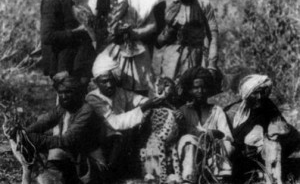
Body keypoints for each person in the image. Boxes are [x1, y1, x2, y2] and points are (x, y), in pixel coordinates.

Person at [88, 0, 161, 95]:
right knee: (112, 92)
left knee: (139, 92)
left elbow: (153, 26)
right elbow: (96, 31)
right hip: (109, 51)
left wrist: (133, 33)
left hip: (136, 51)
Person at [86, 50, 165, 179]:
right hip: (101, 142)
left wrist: (154, 100)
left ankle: (147, 172)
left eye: (111, 80)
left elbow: (138, 99)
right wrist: (144, 107)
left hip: (120, 139)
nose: (109, 85)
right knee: (120, 138)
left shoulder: (119, 92)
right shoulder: (93, 98)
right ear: (96, 82)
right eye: (104, 81)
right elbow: (115, 123)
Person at [24, 76, 108, 184]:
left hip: (90, 161)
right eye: (60, 93)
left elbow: (67, 140)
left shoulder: (86, 110)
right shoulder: (63, 108)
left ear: (78, 94)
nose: (64, 96)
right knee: (52, 171)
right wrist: (24, 133)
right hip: (72, 156)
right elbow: (43, 123)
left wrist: (34, 139)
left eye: (68, 92)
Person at [156, 0, 219, 85]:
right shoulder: (164, 6)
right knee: (170, 92)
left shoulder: (203, 4)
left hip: (197, 57)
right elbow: (158, 43)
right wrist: (169, 30)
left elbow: (213, 36)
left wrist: (212, 64)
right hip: (171, 60)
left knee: (195, 90)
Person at [41, 0, 95, 82]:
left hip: (71, 64)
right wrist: (78, 31)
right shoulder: (50, 1)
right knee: (68, 99)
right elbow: (47, 36)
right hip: (62, 67)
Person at [231, 74, 292, 184]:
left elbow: (284, 129)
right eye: (255, 93)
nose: (259, 96)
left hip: (266, 151)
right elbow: (230, 138)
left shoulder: (267, 104)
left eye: (262, 92)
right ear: (247, 94)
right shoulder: (235, 111)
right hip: (241, 155)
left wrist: (269, 137)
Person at [177, 67, 233, 184]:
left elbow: (227, 135)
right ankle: (189, 178)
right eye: (195, 88)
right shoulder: (183, 111)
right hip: (191, 154)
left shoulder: (217, 110)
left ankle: (220, 177)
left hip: (212, 153)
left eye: (203, 87)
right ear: (189, 90)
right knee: (188, 140)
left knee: (225, 144)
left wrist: (214, 134)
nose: (200, 91)